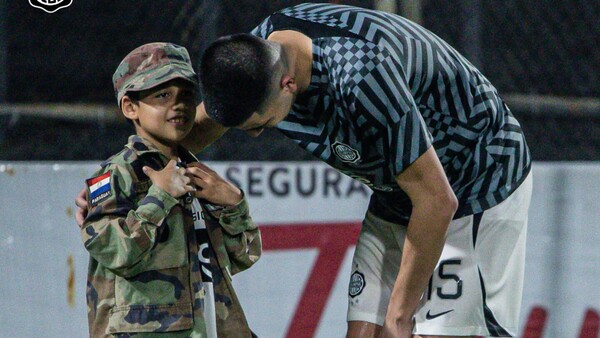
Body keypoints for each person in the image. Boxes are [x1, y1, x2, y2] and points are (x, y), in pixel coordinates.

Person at [194, 3, 533, 338]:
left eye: (262, 124)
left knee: (424, 331)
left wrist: (400, 316)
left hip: (476, 178)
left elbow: (437, 201)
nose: (255, 134)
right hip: (400, 188)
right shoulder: (253, 56)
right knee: (364, 333)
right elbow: (202, 125)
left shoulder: (361, 77)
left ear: (288, 84)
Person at [79, 42, 261, 338]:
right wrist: (160, 197)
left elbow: (244, 256)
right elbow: (114, 252)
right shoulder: (117, 174)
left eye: (187, 95)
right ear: (130, 107)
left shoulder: (196, 174)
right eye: (162, 95)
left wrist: (233, 203)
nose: (179, 105)